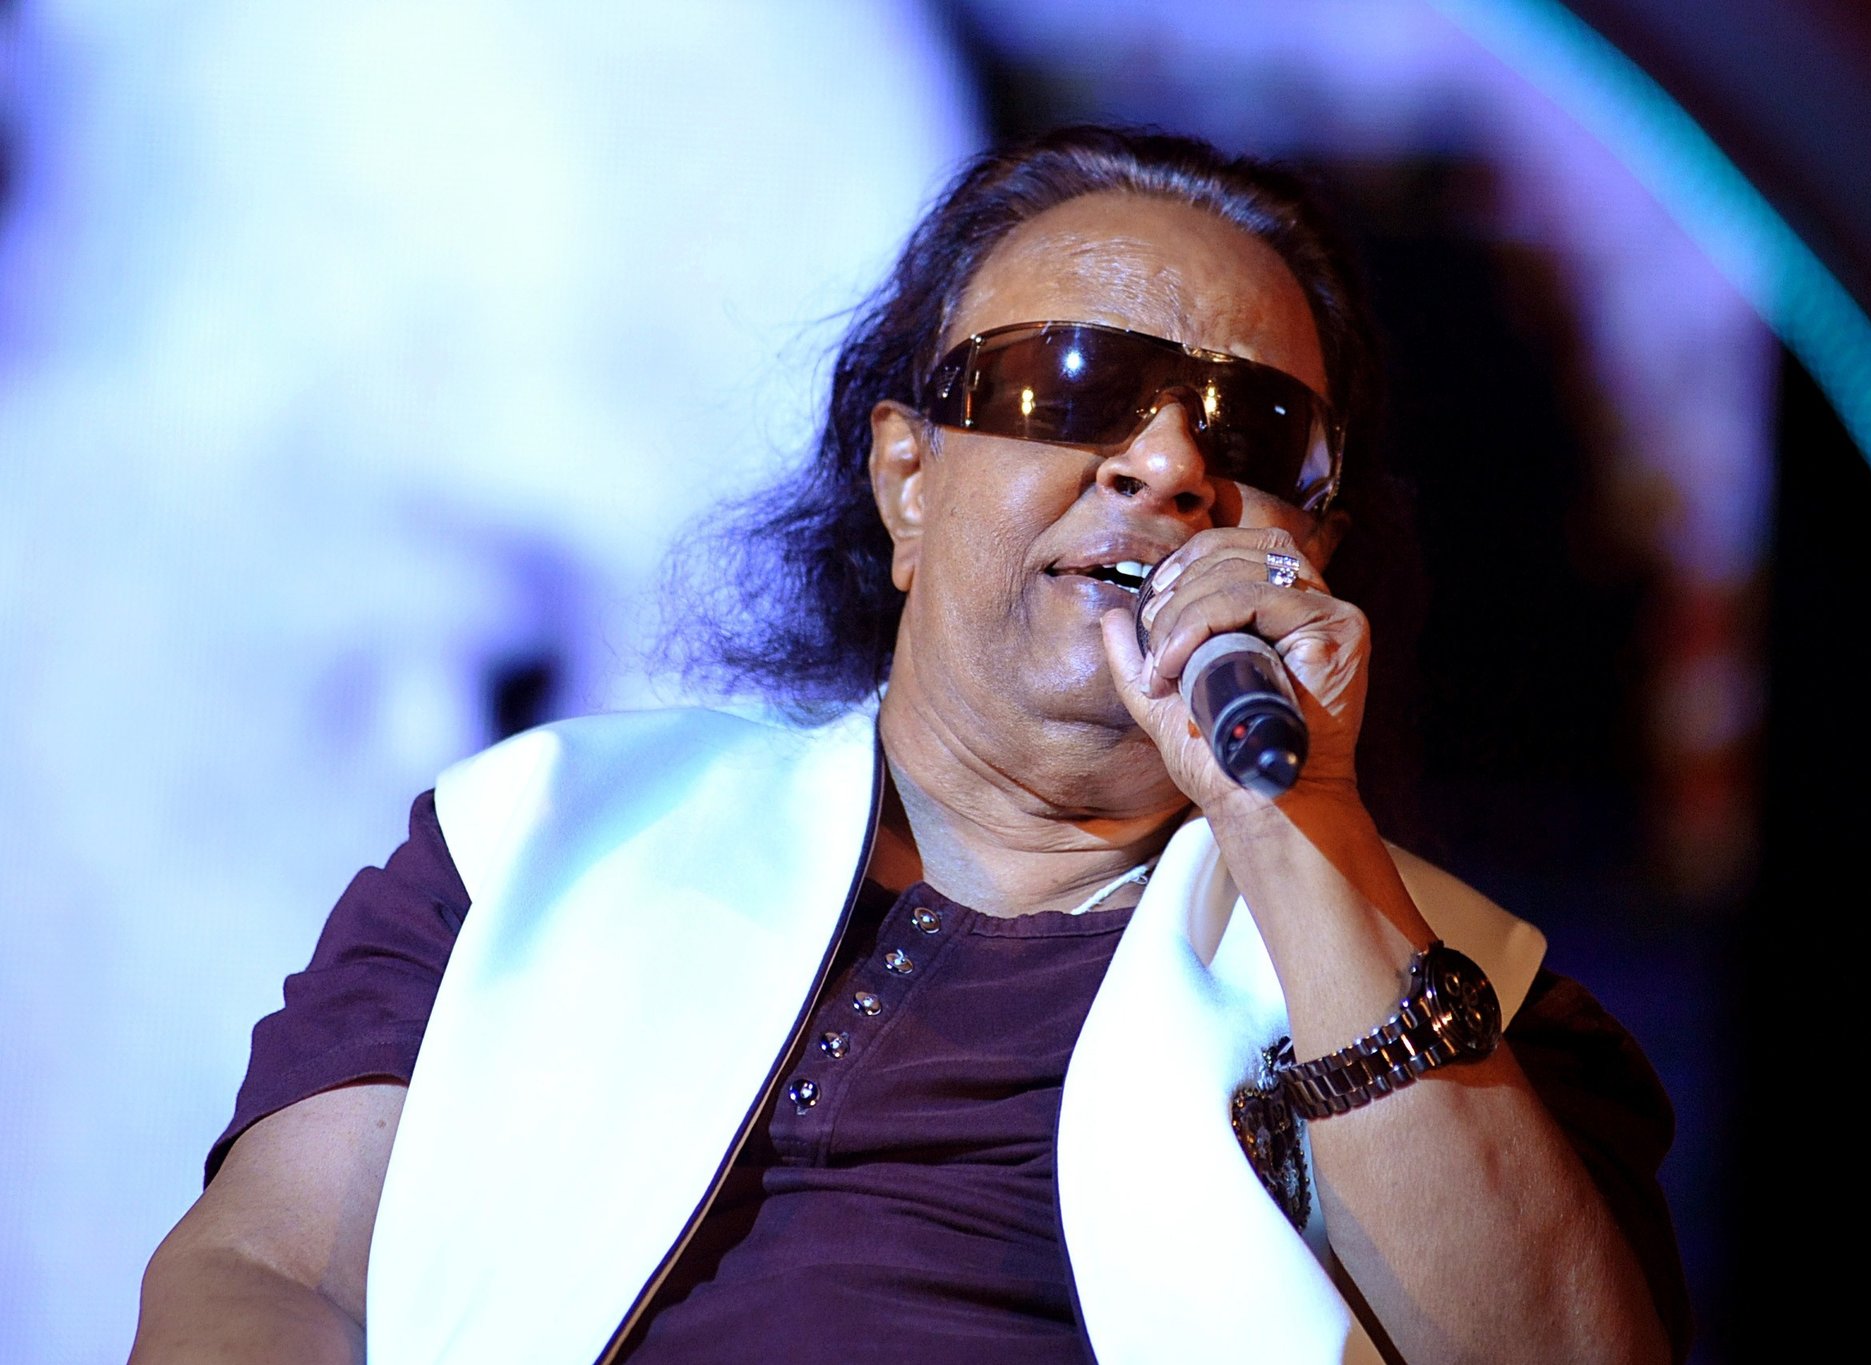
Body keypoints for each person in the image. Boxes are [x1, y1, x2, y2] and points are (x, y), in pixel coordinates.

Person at [130, 126, 1688, 1364]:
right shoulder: (532, 841)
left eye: (1255, 432)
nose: (1166, 463)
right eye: (1077, 384)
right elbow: (267, 1267)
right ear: (908, 479)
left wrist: (1297, 830)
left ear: (1316, 541)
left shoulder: (1485, 998)